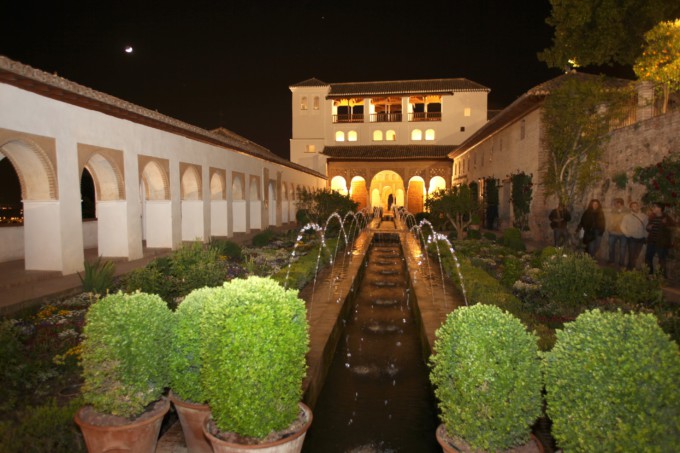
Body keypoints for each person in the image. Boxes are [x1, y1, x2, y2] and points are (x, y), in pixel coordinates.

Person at [645, 202, 675, 277]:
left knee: (662, 259)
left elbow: (672, 228)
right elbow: (648, 227)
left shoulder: (666, 218)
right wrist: (648, 227)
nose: (653, 208)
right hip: (652, 241)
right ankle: (649, 274)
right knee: (648, 258)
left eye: (655, 207)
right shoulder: (652, 217)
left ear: (660, 208)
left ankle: (661, 277)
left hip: (661, 243)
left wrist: (666, 224)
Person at [620, 201, 648, 270]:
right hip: (632, 238)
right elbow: (622, 226)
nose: (636, 207)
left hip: (641, 238)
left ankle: (629, 268)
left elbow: (646, 227)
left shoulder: (644, 216)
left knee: (636, 256)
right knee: (631, 255)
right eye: (634, 206)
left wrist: (645, 235)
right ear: (631, 208)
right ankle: (631, 269)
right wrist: (627, 234)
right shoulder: (627, 216)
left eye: (637, 206)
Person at [606, 198, 627, 266]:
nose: (616, 205)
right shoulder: (613, 211)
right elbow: (609, 220)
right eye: (616, 204)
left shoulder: (626, 211)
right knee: (611, 246)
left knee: (622, 248)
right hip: (613, 232)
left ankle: (621, 263)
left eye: (618, 203)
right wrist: (609, 228)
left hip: (623, 232)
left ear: (621, 204)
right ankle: (611, 260)